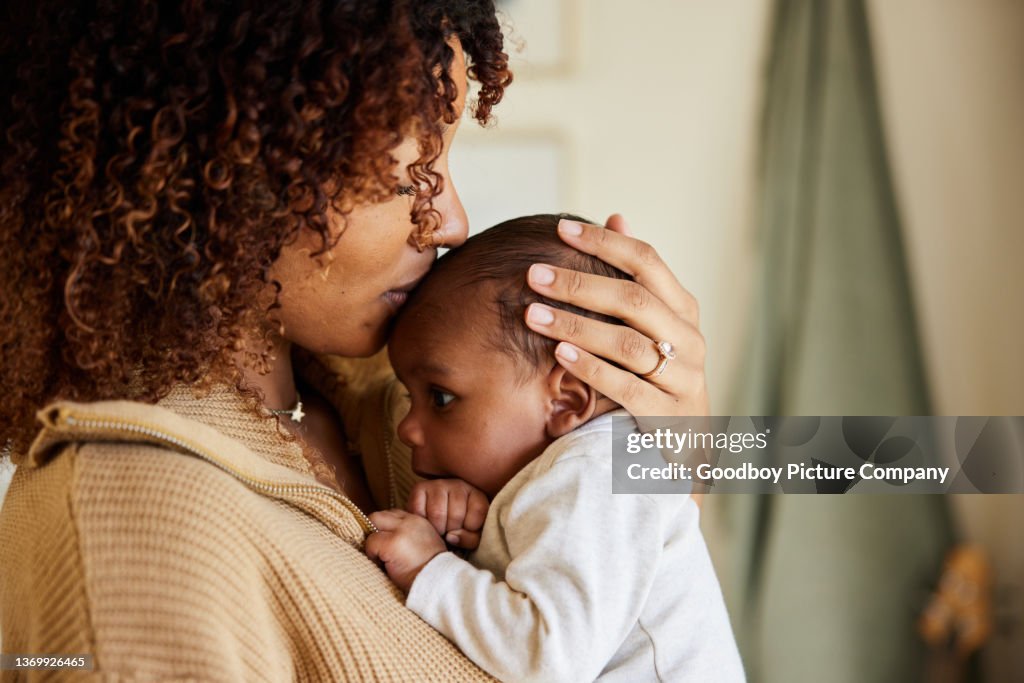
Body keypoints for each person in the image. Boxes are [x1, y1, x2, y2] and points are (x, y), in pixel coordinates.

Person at [0, 2, 710, 680]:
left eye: (446, 166)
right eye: (408, 178)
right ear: (232, 168)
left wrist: (684, 449)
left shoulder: (403, 380)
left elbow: (640, 599)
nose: (452, 222)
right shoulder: (130, 535)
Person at [368, 214, 745, 682]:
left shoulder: (593, 471)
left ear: (566, 400)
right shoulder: (589, 467)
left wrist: (431, 568)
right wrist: (483, 532)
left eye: (440, 398)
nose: (406, 428)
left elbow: (549, 658)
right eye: (410, 397)